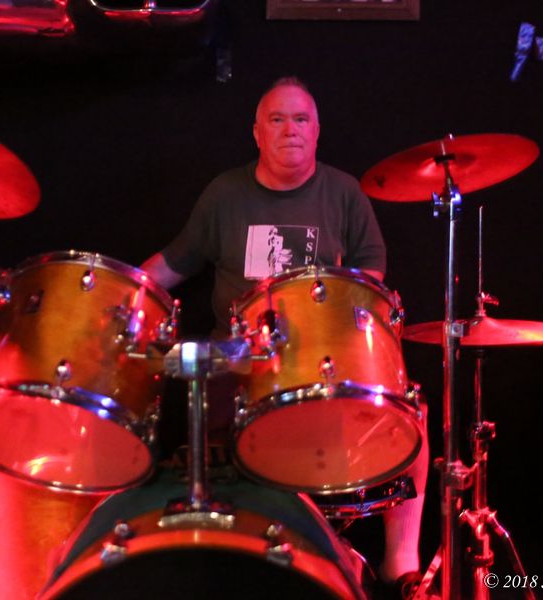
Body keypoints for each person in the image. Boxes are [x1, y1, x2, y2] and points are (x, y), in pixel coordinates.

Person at [141, 76, 428, 598]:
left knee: (409, 412)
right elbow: (174, 263)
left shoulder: (344, 192)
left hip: (322, 361)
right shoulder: (225, 193)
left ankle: (399, 564)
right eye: (277, 119)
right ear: (257, 132)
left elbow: (371, 276)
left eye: (300, 119)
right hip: (238, 365)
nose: (289, 129)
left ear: (317, 131)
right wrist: (122, 299)